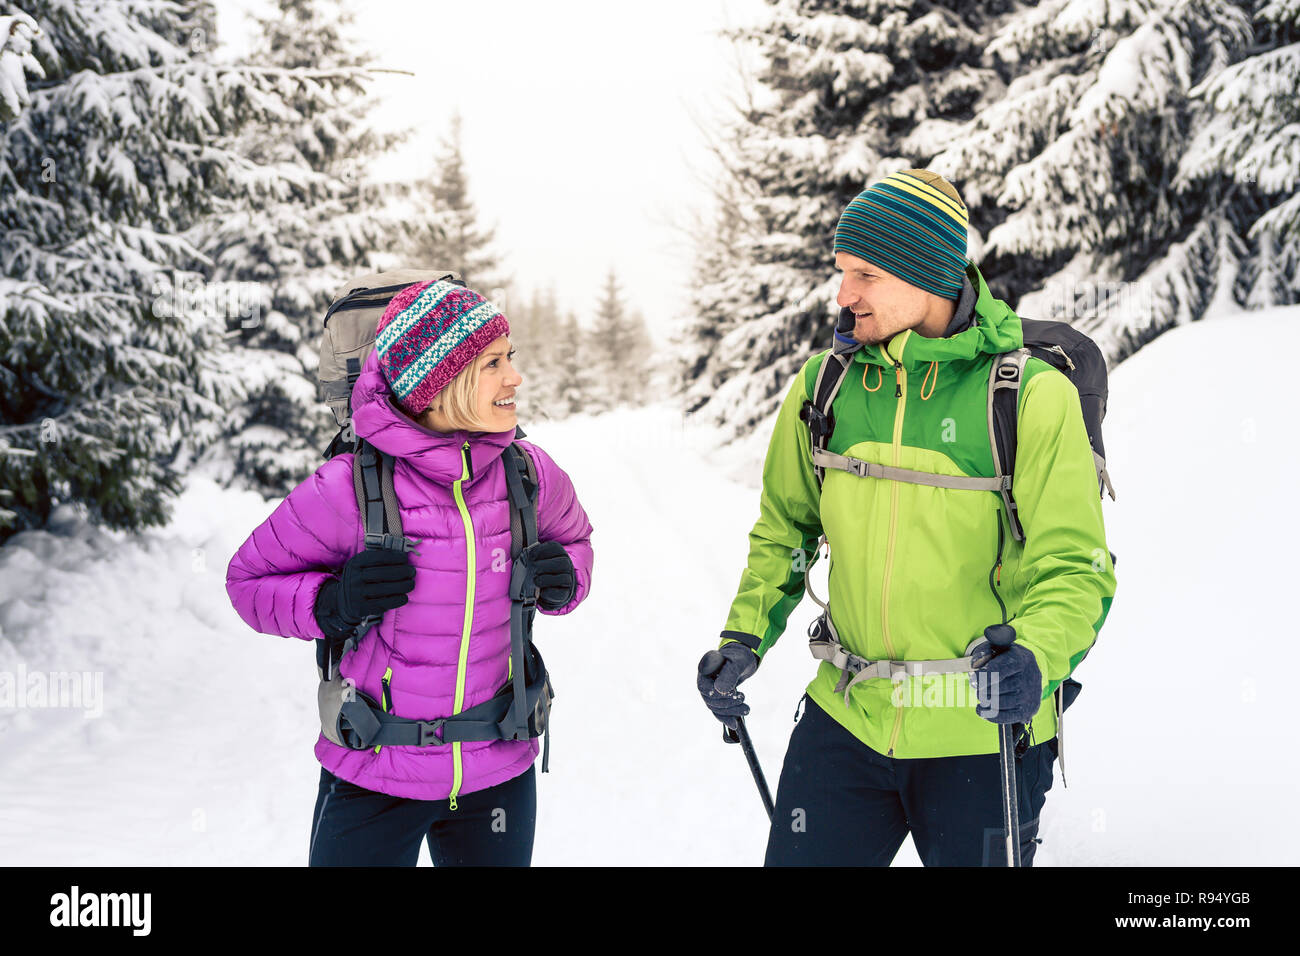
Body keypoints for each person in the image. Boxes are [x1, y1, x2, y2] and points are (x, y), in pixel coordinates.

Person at [696, 169, 1116, 866]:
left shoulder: (1026, 396)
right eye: (840, 272)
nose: (843, 295)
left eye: (865, 274)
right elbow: (786, 529)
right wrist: (745, 633)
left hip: (983, 737)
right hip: (846, 719)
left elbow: (1076, 569)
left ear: (928, 274)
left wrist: (1036, 656)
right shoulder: (824, 387)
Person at [226, 279, 593, 867]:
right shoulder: (348, 487)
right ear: (439, 382)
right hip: (375, 768)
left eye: (511, 360)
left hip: (497, 767)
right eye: (494, 363)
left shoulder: (529, 474)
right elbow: (247, 584)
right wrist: (329, 604)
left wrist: (567, 577)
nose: (514, 379)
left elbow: (575, 542)